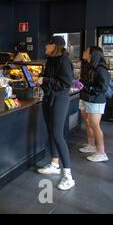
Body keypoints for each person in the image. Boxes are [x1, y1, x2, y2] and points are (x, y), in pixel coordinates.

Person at [36, 36, 75, 190]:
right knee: (51, 132)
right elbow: (50, 79)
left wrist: (45, 81)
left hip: (59, 101)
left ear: (55, 45)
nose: (46, 46)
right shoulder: (51, 60)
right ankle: (54, 164)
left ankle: (68, 176)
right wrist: (44, 82)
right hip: (49, 99)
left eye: (48, 43)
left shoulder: (64, 61)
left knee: (58, 134)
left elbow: (65, 84)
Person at [78, 46, 111, 162]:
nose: (84, 52)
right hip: (86, 98)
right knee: (88, 123)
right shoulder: (89, 66)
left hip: (95, 100)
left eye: (86, 51)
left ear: (92, 54)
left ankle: (101, 153)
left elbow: (102, 87)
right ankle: (91, 145)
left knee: (95, 125)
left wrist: (86, 87)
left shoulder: (101, 69)